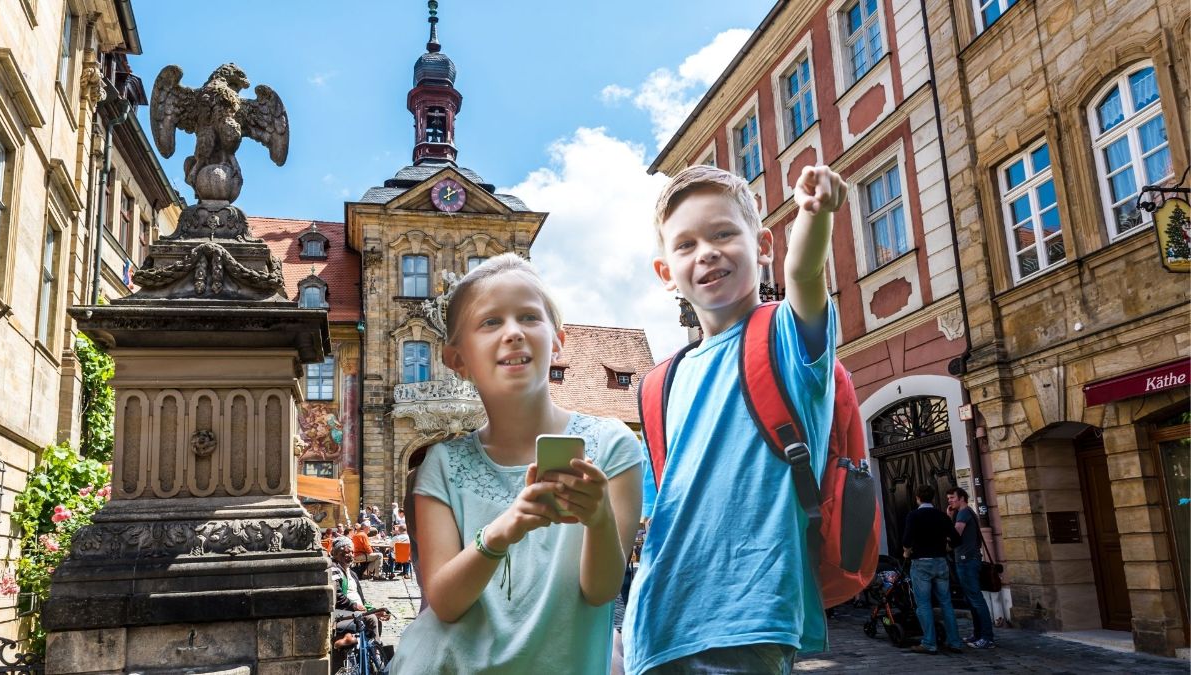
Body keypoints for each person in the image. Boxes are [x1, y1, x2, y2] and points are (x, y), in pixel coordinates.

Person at [623, 165, 847, 674]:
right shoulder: (660, 384)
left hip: (748, 623)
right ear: (666, 273)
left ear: (763, 244)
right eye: (685, 245)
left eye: (724, 233)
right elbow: (651, 515)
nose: (706, 251)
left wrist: (815, 215)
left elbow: (805, 277)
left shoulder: (788, 341)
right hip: (653, 629)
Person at [389, 253, 643, 674]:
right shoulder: (442, 465)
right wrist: (504, 530)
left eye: (529, 317)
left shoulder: (611, 444)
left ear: (557, 339)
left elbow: (599, 592)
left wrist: (597, 519)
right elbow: (447, 604)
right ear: (458, 360)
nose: (513, 333)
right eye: (490, 322)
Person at [902, 484, 963, 655]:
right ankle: (955, 642)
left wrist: (907, 551)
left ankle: (929, 642)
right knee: (946, 603)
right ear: (933, 498)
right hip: (940, 562)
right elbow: (956, 539)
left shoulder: (914, 516)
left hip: (921, 563)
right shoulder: (941, 516)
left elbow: (906, 540)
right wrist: (946, 548)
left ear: (918, 498)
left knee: (923, 604)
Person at [328, 535, 390, 668]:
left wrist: (372, 609)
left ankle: (369, 652)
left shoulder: (352, 573)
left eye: (351, 552)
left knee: (377, 616)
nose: (349, 555)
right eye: (344, 553)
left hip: (355, 611)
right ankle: (377, 658)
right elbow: (337, 596)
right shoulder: (334, 570)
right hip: (341, 612)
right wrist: (354, 605)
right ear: (336, 554)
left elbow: (361, 598)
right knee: (371, 619)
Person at [947, 487, 995, 649]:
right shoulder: (967, 512)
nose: (950, 501)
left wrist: (948, 519)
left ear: (962, 498)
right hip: (967, 559)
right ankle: (978, 634)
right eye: (949, 498)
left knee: (976, 599)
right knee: (971, 599)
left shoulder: (963, 513)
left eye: (952, 497)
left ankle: (987, 637)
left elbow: (955, 535)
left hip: (967, 560)